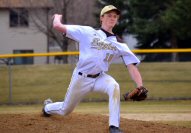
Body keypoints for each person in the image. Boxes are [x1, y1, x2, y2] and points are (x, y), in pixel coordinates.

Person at [42, 5, 144, 133]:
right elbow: (58, 26)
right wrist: (57, 18)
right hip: (81, 77)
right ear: (101, 18)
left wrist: (140, 86)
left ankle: (114, 126)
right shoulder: (88, 32)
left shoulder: (119, 43)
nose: (112, 18)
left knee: (114, 86)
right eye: (108, 15)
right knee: (65, 110)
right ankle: (47, 107)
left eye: (115, 16)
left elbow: (131, 65)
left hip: (100, 77)